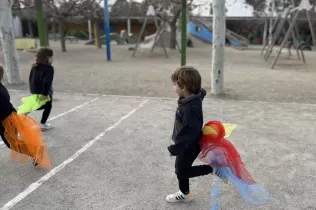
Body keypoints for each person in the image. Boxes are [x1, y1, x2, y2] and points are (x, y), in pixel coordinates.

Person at [166, 66, 226, 203]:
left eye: (175, 85)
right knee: (181, 169)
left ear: (184, 86)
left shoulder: (189, 107)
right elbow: (201, 93)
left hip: (188, 145)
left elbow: (190, 130)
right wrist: (202, 92)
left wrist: (176, 148)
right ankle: (185, 193)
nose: (173, 87)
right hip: (187, 144)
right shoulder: (194, 97)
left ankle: (212, 169)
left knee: (182, 171)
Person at [0, 65, 52, 170]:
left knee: (13, 144)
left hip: (6, 120)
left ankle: (36, 151)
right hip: (5, 118)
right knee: (12, 143)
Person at [29, 47, 55, 131]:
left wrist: (33, 90)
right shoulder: (49, 69)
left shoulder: (35, 66)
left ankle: (42, 123)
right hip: (45, 91)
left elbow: (31, 79)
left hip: (35, 90)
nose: (52, 58)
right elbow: (47, 82)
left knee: (43, 105)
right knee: (47, 106)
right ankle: (43, 124)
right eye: (51, 56)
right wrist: (44, 93)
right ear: (47, 58)